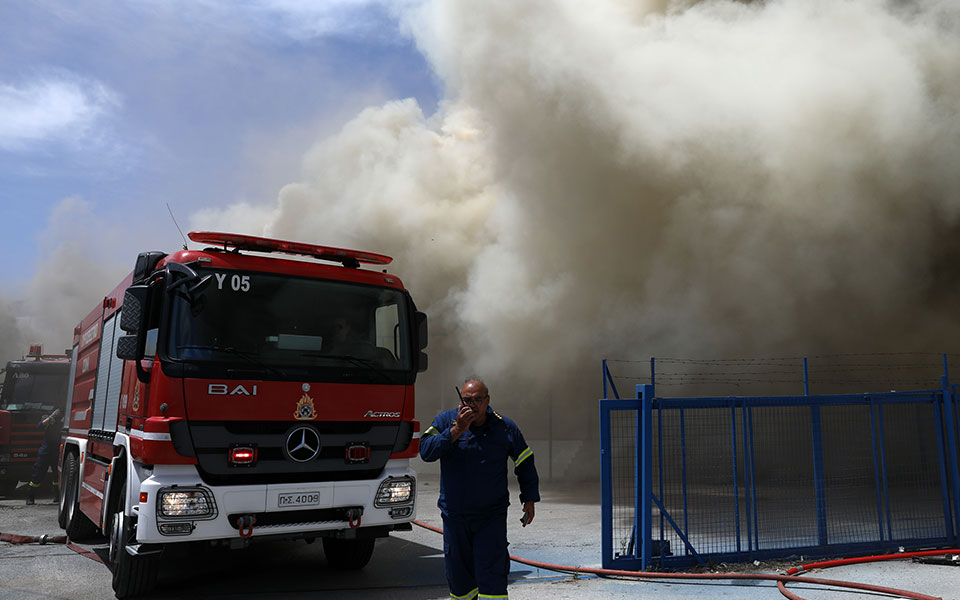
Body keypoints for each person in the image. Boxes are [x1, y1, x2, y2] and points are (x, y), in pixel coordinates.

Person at [419, 377, 540, 600]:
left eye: (477, 400)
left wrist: (529, 499)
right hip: (455, 518)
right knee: (460, 582)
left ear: (487, 401)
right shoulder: (446, 421)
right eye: (466, 400)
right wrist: (457, 430)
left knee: (492, 579)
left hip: (490, 519)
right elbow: (426, 451)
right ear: (460, 401)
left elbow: (524, 461)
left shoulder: (504, 427)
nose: (472, 405)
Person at [25, 407, 62, 505]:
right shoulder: (47, 417)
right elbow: (39, 426)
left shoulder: (62, 420)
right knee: (38, 474)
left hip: (57, 451)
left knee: (57, 476)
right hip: (45, 451)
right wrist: (51, 417)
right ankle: (30, 497)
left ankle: (57, 496)